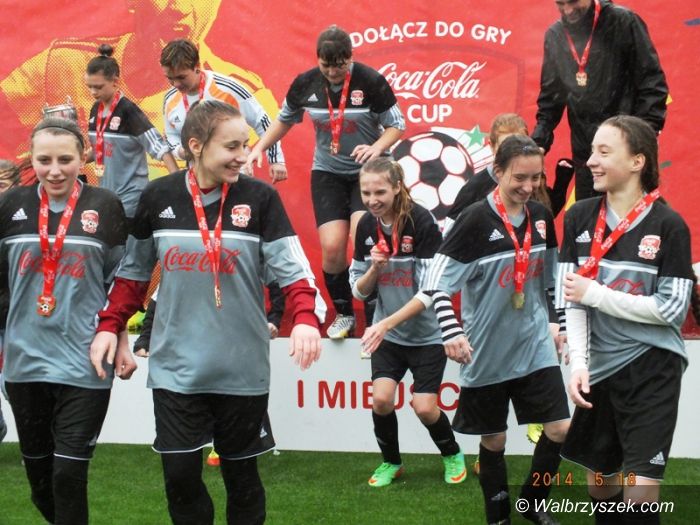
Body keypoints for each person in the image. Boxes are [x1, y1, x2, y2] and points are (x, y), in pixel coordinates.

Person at [90, 100, 325, 525]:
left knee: (241, 477)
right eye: (232, 146)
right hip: (176, 367)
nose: (243, 155)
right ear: (196, 146)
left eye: (245, 145)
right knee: (180, 477)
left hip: (241, 367)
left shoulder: (260, 198)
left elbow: (294, 270)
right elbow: (133, 274)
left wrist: (306, 317)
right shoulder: (158, 196)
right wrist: (111, 325)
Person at [363, 135, 570, 525]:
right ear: (497, 172)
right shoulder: (474, 220)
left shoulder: (541, 216)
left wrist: (557, 322)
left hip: (535, 345)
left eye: (536, 178)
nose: (528, 187)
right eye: (519, 178)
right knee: (495, 439)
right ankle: (498, 517)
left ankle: (533, 502)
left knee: (560, 428)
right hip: (486, 351)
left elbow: (552, 278)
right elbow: (437, 285)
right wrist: (451, 331)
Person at [556, 115, 698, 524]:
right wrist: (579, 364)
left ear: (638, 161)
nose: (591, 162)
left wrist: (597, 294)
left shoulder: (668, 225)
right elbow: (572, 301)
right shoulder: (579, 217)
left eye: (604, 152)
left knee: (640, 490)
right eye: (591, 151)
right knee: (600, 482)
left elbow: (671, 310)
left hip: (653, 367)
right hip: (600, 369)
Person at [0, 118, 133, 524]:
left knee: (68, 475)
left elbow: (121, 282)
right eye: (44, 160)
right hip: (24, 362)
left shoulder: (105, 205)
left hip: (85, 361)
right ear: (31, 160)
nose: (55, 170)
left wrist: (120, 337)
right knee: (41, 483)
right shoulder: (10, 205)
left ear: (83, 156)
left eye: (64, 159)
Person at [0, 0, 281, 180]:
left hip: (179, 228)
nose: (181, 6)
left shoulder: (239, 90)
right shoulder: (62, 63)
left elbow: (264, 137)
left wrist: (269, 160)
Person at [247, 25, 405, 339]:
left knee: (363, 239)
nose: (333, 72)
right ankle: (345, 314)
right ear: (317, 60)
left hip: (368, 173)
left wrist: (376, 148)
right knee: (332, 248)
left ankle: (376, 318)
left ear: (351, 57)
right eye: (326, 65)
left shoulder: (370, 81)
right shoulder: (305, 83)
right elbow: (284, 120)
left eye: (340, 65)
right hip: (328, 173)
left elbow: (397, 125)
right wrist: (258, 148)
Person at [349, 158, 466, 487]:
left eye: (380, 192)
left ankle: (452, 453)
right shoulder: (365, 226)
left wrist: (385, 324)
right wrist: (375, 269)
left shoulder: (421, 221)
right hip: (389, 336)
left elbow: (430, 292)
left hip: (427, 335)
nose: (372, 200)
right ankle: (391, 462)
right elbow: (358, 290)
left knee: (425, 407)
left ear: (397, 187)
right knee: (381, 400)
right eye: (366, 193)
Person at [531, 0, 668, 202]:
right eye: (560, 3)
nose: (567, 10)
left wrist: (640, 138)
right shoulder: (555, 35)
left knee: (632, 218)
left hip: (626, 152)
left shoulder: (623, 22)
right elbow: (551, 99)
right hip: (587, 155)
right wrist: (538, 143)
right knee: (589, 216)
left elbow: (652, 84)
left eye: (573, 2)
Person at [160, 39, 286, 178]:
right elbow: (170, 134)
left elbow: (262, 121)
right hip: (199, 177)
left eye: (181, 77)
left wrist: (276, 160)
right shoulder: (169, 99)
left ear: (197, 67)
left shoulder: (227, 88)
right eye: (170, 78)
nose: (176, 84)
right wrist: (181, 151)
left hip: (235, 173)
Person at [86, 44, 178, 219]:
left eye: (98, 87)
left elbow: (160, 148)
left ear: (115, 82)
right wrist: (77, 157)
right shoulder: (95, 110)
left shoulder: (129, 111)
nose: (93, 92)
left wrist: (179, 184)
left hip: (131, 200)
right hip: (106, 198)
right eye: (89, 86)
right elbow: (99, 148)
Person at [446, 113, 573, 236]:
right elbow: (449, 233)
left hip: (528, 249)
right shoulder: (477, 186)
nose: (512, 153)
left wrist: (562, 180)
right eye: (505, 147)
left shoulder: (529, 176)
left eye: (518, 146)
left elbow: (546, 214)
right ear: (492, 146)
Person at [0, 159, 20, 444]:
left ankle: (40, 442)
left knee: (13, 386)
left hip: (19, 318)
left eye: (2, 185)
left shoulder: (28, 220)